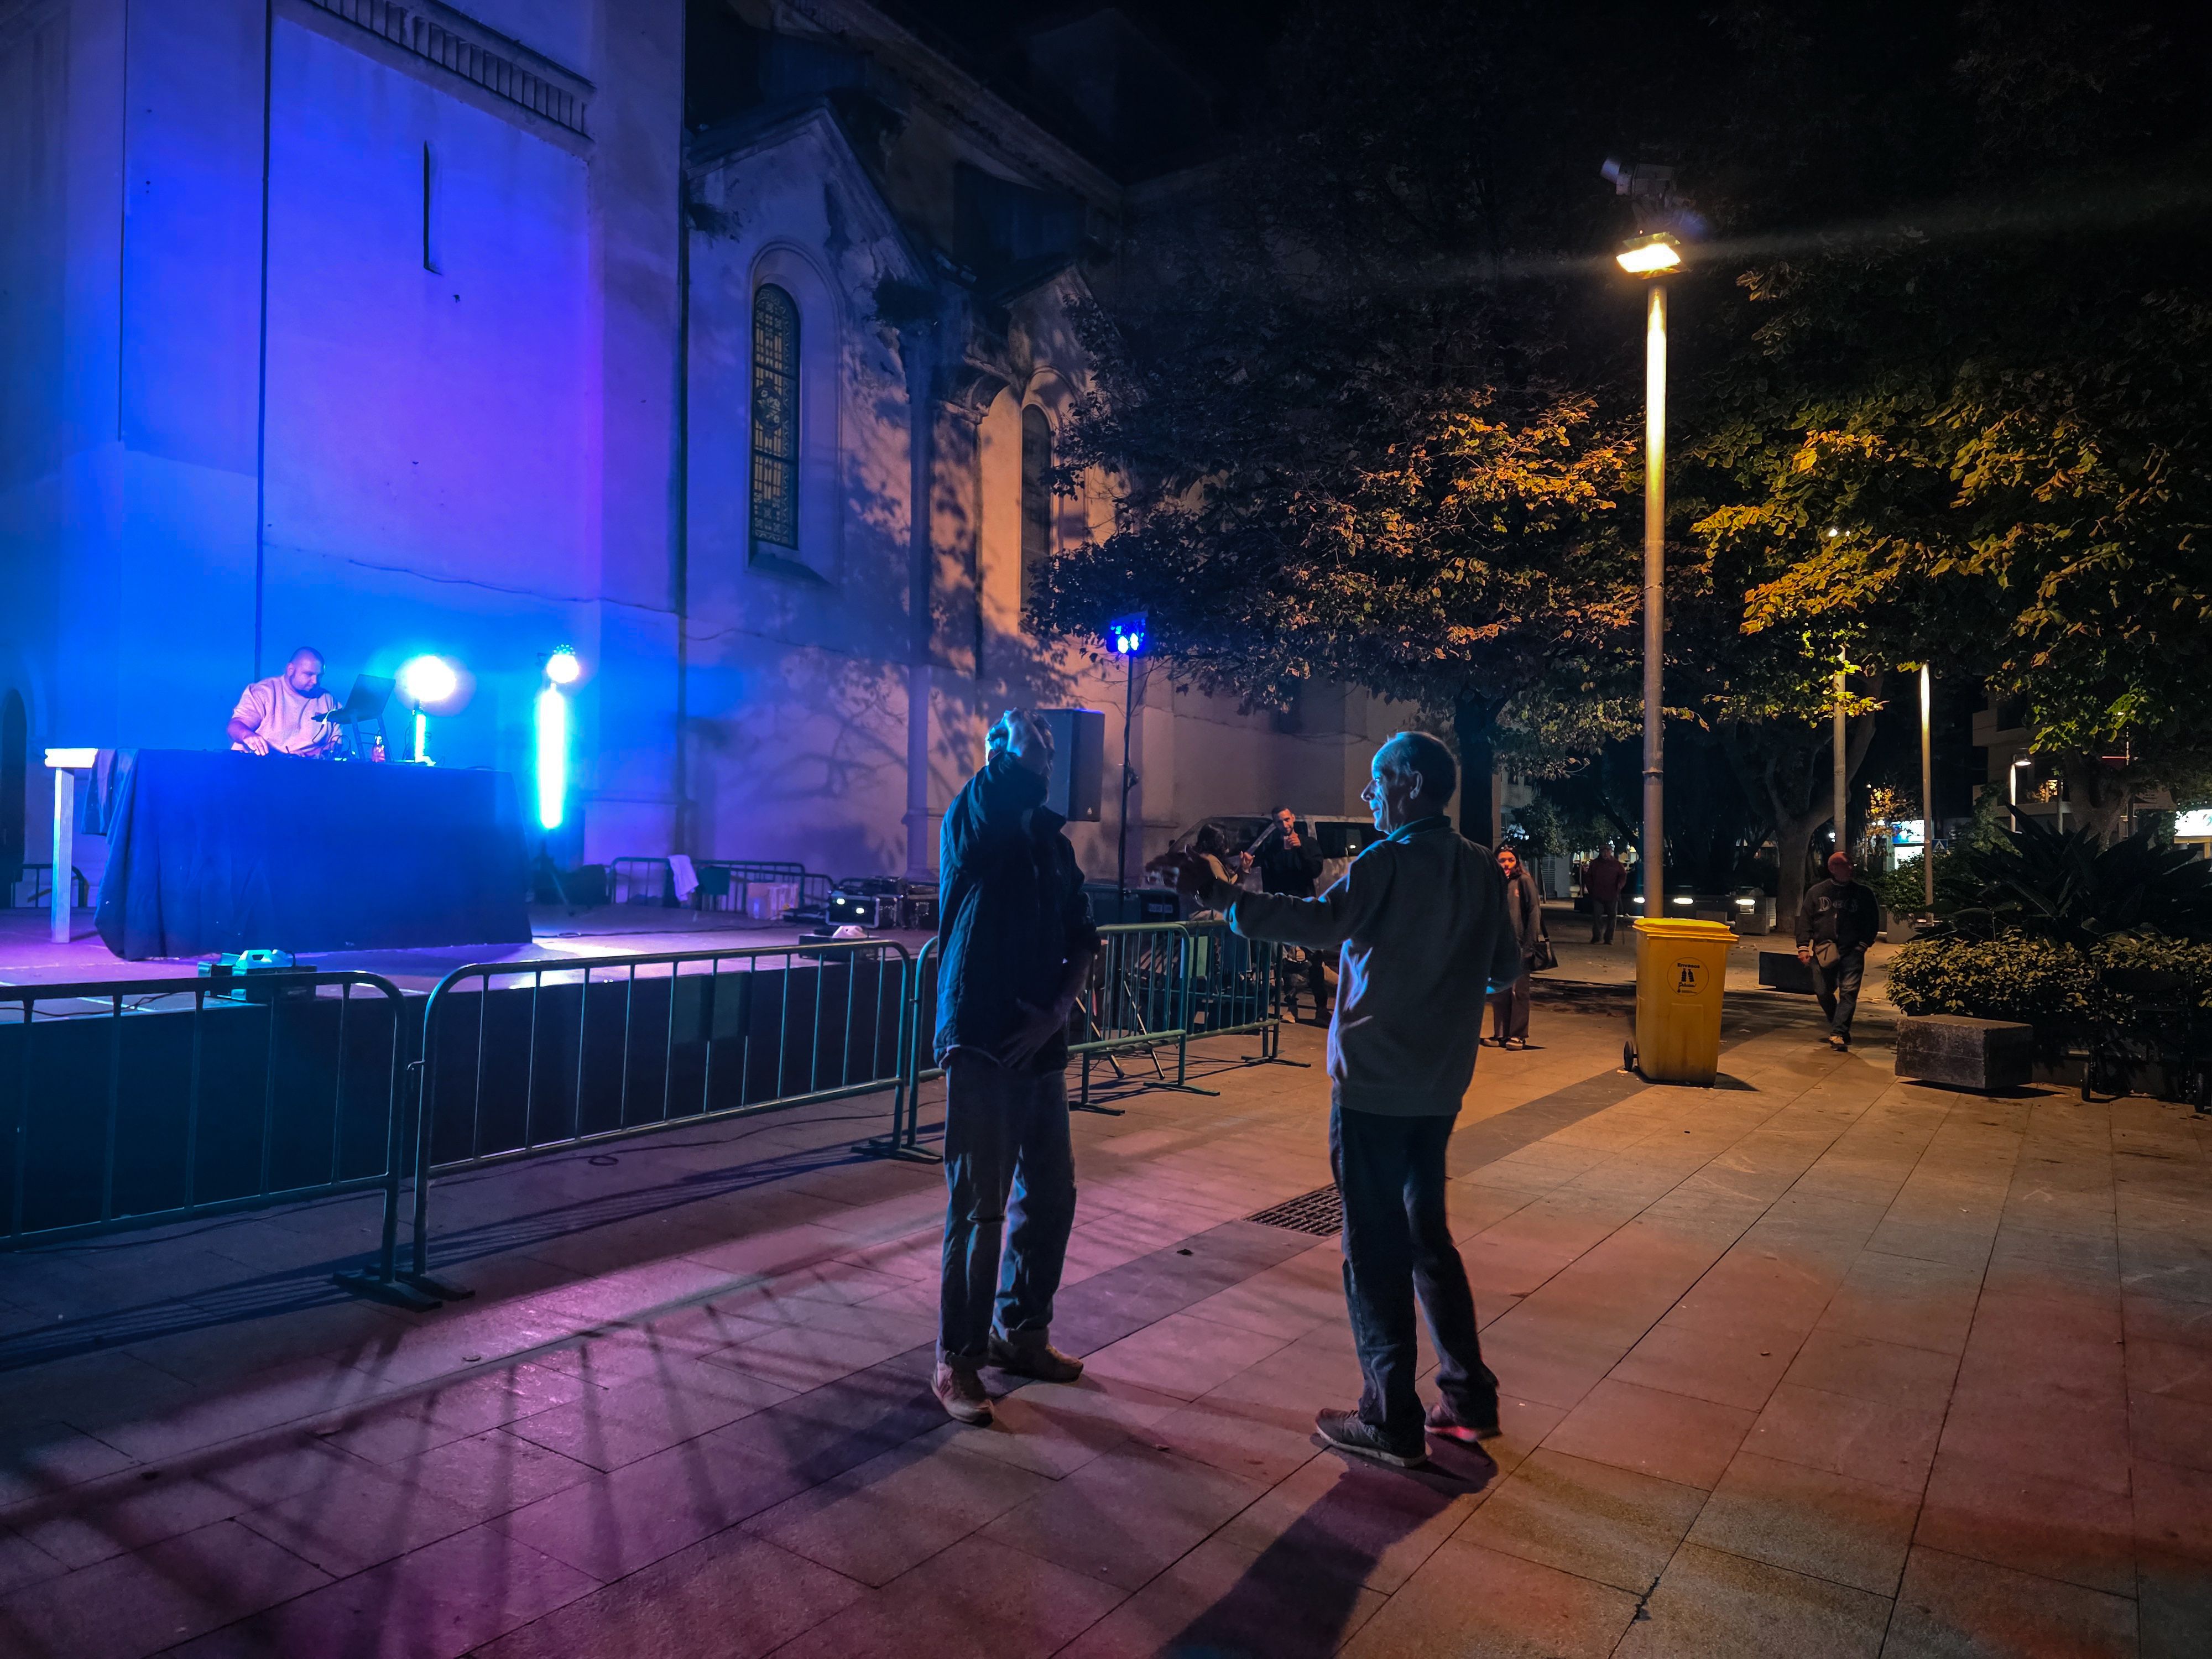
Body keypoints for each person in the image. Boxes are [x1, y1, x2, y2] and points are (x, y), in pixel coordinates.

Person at [1218, 732, 1524, 1467]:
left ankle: (1388, 1414)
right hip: (1440, 1084)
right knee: (1428, 1236)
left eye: (1380, 781)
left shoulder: (1384, 862)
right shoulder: (1482, 868)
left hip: (1374, 1087)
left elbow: (1322, 924)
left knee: (1372, 1246)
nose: (1371, 796)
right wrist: (1438, 989)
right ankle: (1468, 1399)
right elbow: (1503, 970)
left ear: (1410, 783)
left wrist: (1227, 903)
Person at [931, 708, 1101, 1425]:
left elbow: (1084, 937)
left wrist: (1059, 1010)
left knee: (1052, 1194)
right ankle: (957, 1360)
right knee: (980, 1206)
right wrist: (1013, 754)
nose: (1036, 757)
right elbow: (995, 792)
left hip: (1042, 1049)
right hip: (983, 1042)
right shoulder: (976, 824)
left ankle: (1021, 1333)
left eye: (1043, 749)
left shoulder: (1053, 847)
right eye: (1017, 749)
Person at [1252, 807, 1332, 1020]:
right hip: (1283, 910)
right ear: (1275, 824)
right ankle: (1292, 1007)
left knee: (1315, 958)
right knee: (1286, 961)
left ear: (1293, 819)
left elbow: (1315, 871)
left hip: (1306, 908)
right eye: (1279, 822)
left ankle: (1321, 1008)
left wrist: (1300, 851)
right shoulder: (1272, 848)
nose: (1285, 825)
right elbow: (1269, 881)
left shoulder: (1309, 844)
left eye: (1287, 820)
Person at [1797, 851, 1881, 1051]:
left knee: (1849, 992)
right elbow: (1806, 920)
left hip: (1852, 951)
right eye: (1846, 864)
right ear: (1832, 868)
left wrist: (1863, 945)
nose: (1851, 867)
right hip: (1824, 950)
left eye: (1852, 864)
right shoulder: (1817, 892)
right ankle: (1840, 1026)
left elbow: (1873, 921)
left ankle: (1837, 1033)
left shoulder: (1863, 894)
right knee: (1822, 990)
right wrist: (1803, 947)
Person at [228, 647, 340, 757]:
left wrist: (308, 756)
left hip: (308, 769)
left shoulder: (328, 700)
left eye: (320, 676)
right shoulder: (264, 692)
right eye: (309, 674)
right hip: (262, 765)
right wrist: (247, 735)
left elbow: (337, 742)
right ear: (291, 670)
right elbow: (235, 726)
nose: (315, 681)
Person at [1486, 843, 1546, 1050]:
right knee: (1499, 991)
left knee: (1518, 991)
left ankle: (1518, 1034)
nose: (1506, 864)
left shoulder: (1524, 881)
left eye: (1511, 860)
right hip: (1498, 948)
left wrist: (1529, 946)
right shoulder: (1495, 883)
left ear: (1517, 862)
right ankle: (1500, 1033)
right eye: (1502, 860)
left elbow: (1534, 913)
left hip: (1520, 946)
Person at [1583, 843, 1627, 945]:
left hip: (1612, 895)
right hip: (1598, 895)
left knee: (1612, 917)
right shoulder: (1595, 864)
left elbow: (1623, 876)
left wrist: (1619, 886)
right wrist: (1591, 889)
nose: (1605, 853)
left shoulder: (1617, 864)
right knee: (1597, 916)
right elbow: (1588, 877)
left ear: (1611, 852)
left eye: (1607, 851)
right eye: (1603, 851)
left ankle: (1609, 938)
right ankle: (1597, 937)